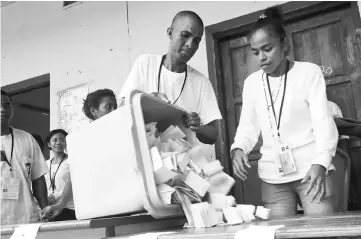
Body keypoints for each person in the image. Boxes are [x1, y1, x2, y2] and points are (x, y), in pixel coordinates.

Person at [230, 7, 339, 219]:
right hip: (273, 177)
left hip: (312, 171)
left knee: (321, 232)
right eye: (255, 52)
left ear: (284, 45)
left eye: (267, 49)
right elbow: (247, 127)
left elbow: (323, 122)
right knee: (280, 233)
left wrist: (321, 162)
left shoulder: (309, 73)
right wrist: (238, 149)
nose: (261, 57)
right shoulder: (251, 83)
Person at [119, 11, 222, 145]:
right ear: (170, 33)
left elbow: (213, 136)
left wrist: (199, 127)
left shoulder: (201, 82)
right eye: (185, 35)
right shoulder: (145, 63)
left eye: (196, 40)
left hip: (183, 160)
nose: (190, 44)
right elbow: (122, 110)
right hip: (146, 155)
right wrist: (148, 103)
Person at [40, 89, 117, 220]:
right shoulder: (82, 139)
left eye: (115, 107)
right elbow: (75, 178)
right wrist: (59, 206)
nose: (114, 111)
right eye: (108, 107)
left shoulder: (120, 132)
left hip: (123, 202)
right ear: (94, 111)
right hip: (96, 207)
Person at [1, 90, 49, 225]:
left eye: (6, 105)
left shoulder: (27, 139)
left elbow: (38, 178)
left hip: (25, 219)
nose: (2, 109)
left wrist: (45, 209)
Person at [44, 129, 76, 221]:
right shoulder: (45, 164)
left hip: (69, 208)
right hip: (49, 208)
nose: (58, 143)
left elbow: (74, 184)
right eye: (55, 140)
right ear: (49, 144)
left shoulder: (71, 161)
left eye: (62, 140)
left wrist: (56, 195)